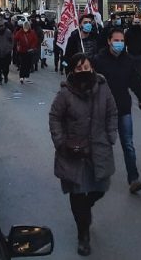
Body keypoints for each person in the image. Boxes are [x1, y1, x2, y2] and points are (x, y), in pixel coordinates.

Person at [49, 54, 118, 257]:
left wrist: (110, 135)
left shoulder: (103, 87)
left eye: (86, 67)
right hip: (74, 153)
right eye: (79, 68)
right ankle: (83, 235)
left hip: (99, 149)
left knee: (100, 188)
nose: (84, 71)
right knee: (78, 195)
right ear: (72, 71)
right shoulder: (65, 94)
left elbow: (112, 112)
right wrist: (61, 142)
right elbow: (55, 117)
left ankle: (85, 211)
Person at [92, 29, 141, 194]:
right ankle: (98, 176)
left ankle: (133, 179)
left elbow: (135, 82)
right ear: (109, 41)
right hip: (103, 110)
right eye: (116, 40)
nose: (119, 43)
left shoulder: (128, 60)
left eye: (122, 40)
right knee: (102, 144)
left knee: (128, 144)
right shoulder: (99, 60)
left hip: (123, 108)